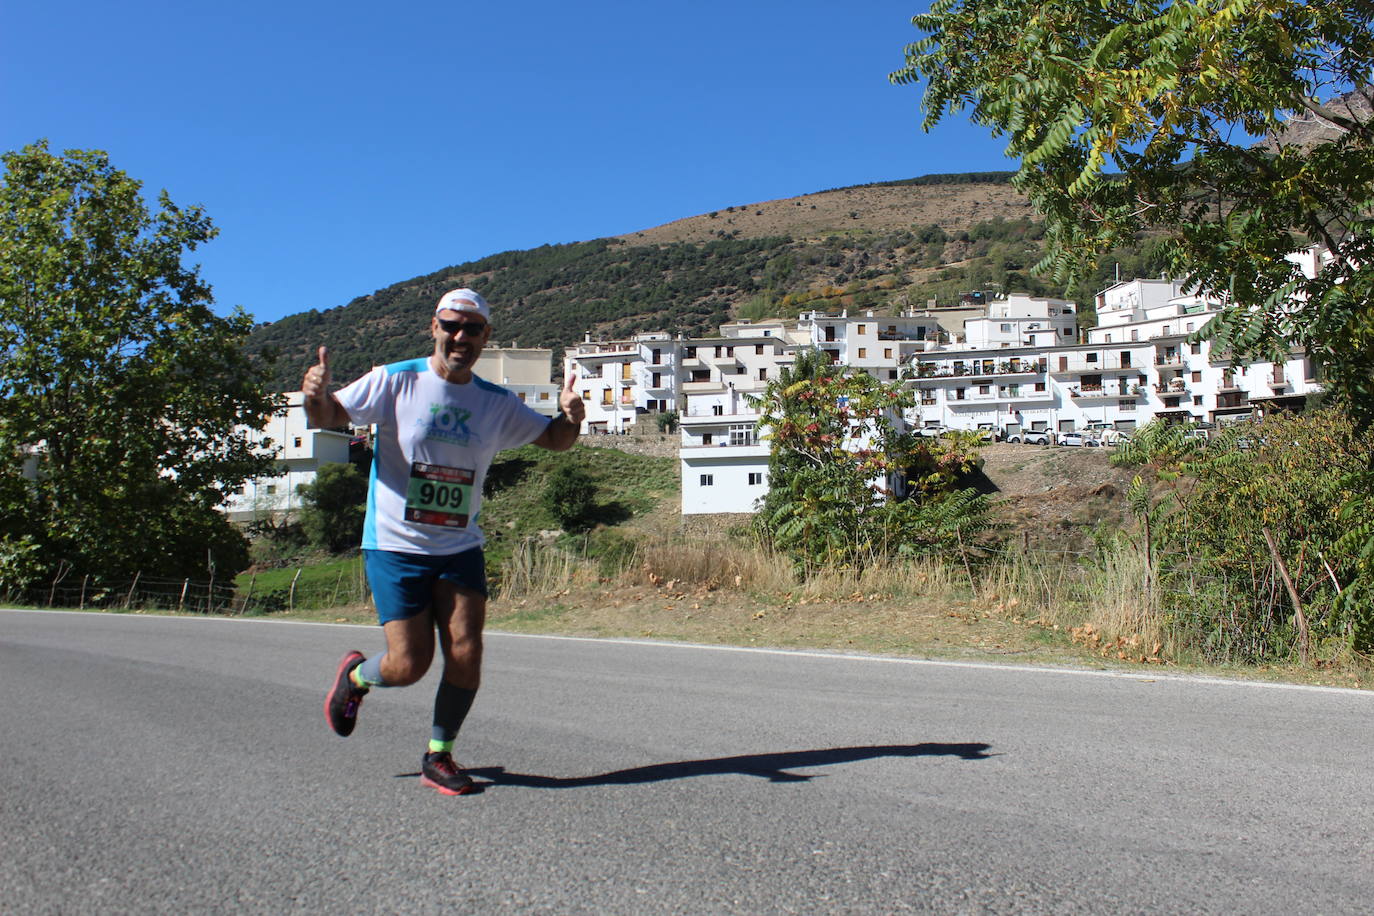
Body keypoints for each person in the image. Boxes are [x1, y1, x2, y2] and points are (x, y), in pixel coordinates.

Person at [304, 288, 584, 796]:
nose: (460, 337)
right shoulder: (394, 380)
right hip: (394, 544)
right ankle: (357, 678)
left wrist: (571, 417)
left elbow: (555, 440)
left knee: (466, 651)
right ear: (433, 327)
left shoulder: (495, 403)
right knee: (408, 666)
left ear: (485, 337)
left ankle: (440, 754)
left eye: (471, 329)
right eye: (451, 326)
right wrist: (314, 395)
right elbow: (327, 417)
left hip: (458, 547)